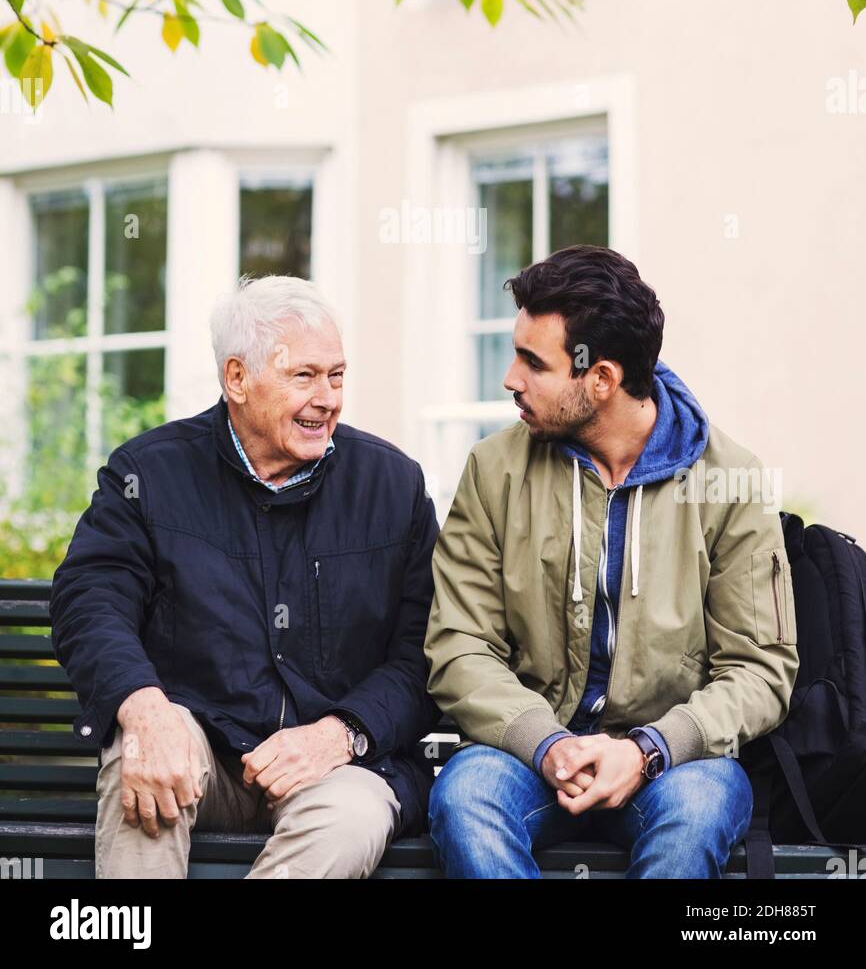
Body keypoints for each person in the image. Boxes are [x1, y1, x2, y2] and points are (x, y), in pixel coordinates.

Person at [424, 246, 799, 878]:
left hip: (676, 764)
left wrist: (650, 750)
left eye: (531, 362)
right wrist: (545, 745)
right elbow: (459, 645)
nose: (510, 378)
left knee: (700, 809)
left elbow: (760, 671)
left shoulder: (731, 480)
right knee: (465, 799)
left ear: (600, 379)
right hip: (526, 753)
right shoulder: (494, 470)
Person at [50, 275, 439, 879]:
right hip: (204, 750)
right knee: (144, 756)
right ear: (237, 379)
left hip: (339, 767)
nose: (329, 398)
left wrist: (341, 733)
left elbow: (421, 652)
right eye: (304, 376)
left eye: (337, 376)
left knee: (351, 818)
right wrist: (143, 709)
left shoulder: (393, 486)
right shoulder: (150, 474)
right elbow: (90, 599)